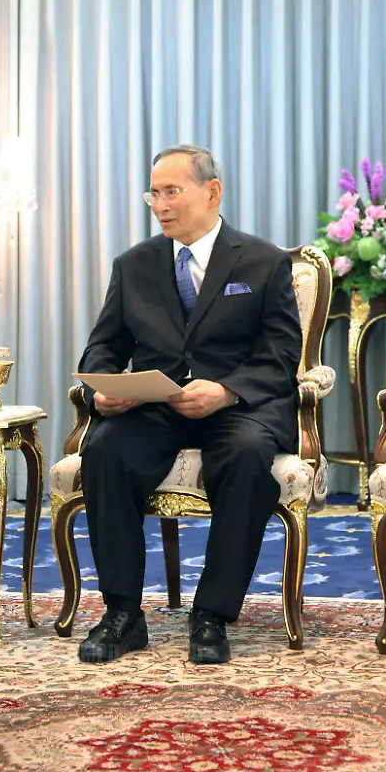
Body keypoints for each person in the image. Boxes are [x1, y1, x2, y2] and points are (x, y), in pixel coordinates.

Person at [75, 144, 303, 665]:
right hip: (155, 409)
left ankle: (212, 615)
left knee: (247, 455)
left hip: (237, 408)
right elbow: (102, 347)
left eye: (171, 191)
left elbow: (281, 353)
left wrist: (226, 390)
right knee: (105, 450)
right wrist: (102, 390)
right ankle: (122, 613)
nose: (160, 205)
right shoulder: (134, 265)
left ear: (212, 191)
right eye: (153, 194)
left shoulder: (263, 261)